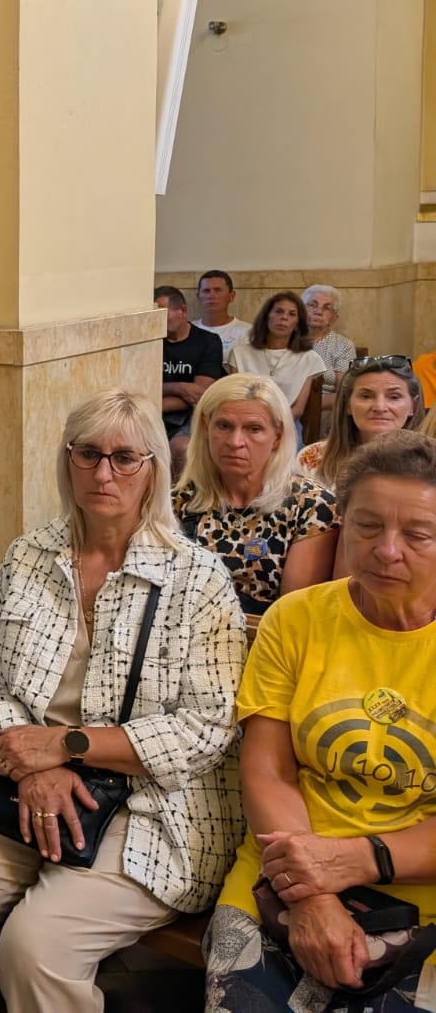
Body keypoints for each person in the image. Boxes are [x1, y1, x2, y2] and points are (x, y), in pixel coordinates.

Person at [0, 389, 247, 1013]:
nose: (103, 473)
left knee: (36, 947)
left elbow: (207, 728)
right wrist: (35, 767)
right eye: (88, 454)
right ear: (68, 460)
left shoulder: (197, 578)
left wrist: (66, 746)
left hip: (149, 802)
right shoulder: (28, 556)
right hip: (21, 778)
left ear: (153, 469)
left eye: (124, 458)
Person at [203, 431, 436, 1011]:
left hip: (420, 895)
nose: (387, 550)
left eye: (418, 535)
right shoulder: (296, 620)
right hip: (280, 874)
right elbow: (268, 772)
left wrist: (359, 859)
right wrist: (311, 895)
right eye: (367, 526)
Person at [175, 374, 338, 617]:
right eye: (224, 426)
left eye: (254, 429)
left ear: (277, 436)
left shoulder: (312, 506)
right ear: (205, 428)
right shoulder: (180, 501)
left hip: (268, 636)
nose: (235, 442)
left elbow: (293, 615)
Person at [296, 357, 423, 492]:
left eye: (394, 397)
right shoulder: (311, 459)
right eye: (366, 396)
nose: (380, 407)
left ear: (413, 406)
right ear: (348, 405)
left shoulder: (430, 462)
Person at [228, 292, 327, 427]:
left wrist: (272, 427)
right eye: (278, 311)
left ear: (297, 324)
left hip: (286, 423)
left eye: (292, 314)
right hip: (245, 421)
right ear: (266, 317)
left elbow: (298, 409)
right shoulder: (240, 353)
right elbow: (235, 400)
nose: (284, 317)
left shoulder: (309, 358)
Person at [157, 284, 225, 474]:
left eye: (162, 315)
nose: (157, 321)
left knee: (181, 448)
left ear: (183, 311)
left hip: (192, 413)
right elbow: (141, 388)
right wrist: (178, 387)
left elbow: (198, 394)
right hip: (154, 412)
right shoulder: (151, 343)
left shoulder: (208, 341)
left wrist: (155, 401)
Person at [302, 283, 359, 416]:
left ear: (334, 318)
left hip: (323, 411)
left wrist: (308, 407)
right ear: (301, 310)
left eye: (326, 308)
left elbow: (344, 392)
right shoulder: (287, 339)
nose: (318, 311)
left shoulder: (343, 345)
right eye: (312, 305)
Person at [195, 269, 253, 358]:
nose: (211, 296)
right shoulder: (187, 330)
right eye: (206, 291)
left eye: (218, 290)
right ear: (198, 296)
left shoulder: (247, 332)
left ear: (231, 296)